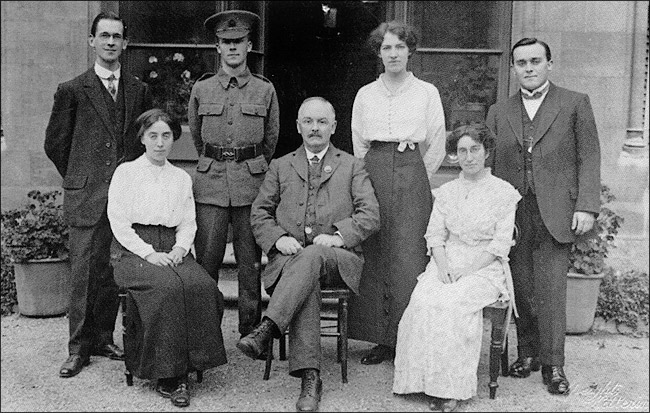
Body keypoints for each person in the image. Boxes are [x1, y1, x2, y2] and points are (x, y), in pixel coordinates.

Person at [238, 97, 380, 412]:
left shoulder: (352, 165)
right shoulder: (280, 165)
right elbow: (259, 213)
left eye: (321, 122)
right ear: (298, 125)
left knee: (314, 255)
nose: (314, 128)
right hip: (290, 262)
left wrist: (339, 236)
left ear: (334, 126)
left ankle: (268, 327)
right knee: (307, 278)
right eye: (308, 121)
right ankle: (310, 379)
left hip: (338, 261)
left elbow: (370, 215)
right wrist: (277, 240)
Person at [486, 37, 601, 395]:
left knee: (551, 290)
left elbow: (589, 158)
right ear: (514, 68)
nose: (529, 68)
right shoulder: (497, 111)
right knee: (520, 286)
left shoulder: (574, 103)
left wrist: (586, 206)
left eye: (536, 61)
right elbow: (490, 167)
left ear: (549, 64)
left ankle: (554, 366)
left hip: (558, 212)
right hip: (514, 213)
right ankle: (529, 354)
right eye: (521, 62)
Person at [44, 11, 152, 378]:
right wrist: (81, 177)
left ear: (125, 43)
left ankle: (104, 338)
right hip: (86, 197)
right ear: (92, 41)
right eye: (103, 35)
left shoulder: (138, 90)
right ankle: (78, 349)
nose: (110, 42)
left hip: (124, 198)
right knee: (84, 274)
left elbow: (140, 141)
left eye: (116, 36)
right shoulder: (72, 89)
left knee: (111, 269)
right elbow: (55, 144)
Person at [392, 125, 521, 412]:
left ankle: (451, 389)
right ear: (455, 156)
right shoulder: (447, 192)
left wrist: (469, 269)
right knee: (423, 299)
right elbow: (435, 236)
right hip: (447, 260)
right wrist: (443, 266)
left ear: (486, 152)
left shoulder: (503, 193)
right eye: (462, 151)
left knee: (453, 305)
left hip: (486, 266)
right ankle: (421, 381)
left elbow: (500, 244)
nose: (469, 157)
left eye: (475, 149)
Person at [107, 109, 227, 408]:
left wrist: (179, 249)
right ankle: (168, 376)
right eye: (153, 136)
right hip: (132, 249)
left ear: (174, 138)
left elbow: (188, 221)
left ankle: (192, 362)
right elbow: (118, 222)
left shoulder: (180, 178)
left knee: (203, 286)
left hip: (171, 245)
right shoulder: (126, 173)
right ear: (142, 139)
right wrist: (149, 253)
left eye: (166, 136)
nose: (160, 143)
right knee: (167, 289)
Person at [348, 20, 447, 365]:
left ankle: (408, 337)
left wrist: (417, 176)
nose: (393, 54)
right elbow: (359, 141)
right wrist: (367, 178)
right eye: (386, 48)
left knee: (408, 254)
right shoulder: (366, 94)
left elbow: (436, 142)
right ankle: (380, 339)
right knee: (375, 251)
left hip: (411, 171)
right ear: (379, 52)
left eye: (399, 47)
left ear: (410, 51)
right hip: (374, 168)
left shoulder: (426, 92)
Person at [188, 10, 280, 357]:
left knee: (249, 264)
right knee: (207, 263)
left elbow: (270, 139)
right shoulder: (202, 88)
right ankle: (205, 333)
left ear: (249, 45)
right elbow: (197, 136)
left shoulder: (264, 90)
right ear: (217, 47)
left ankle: (249, 333)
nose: (232, 48)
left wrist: (248, 165)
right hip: (210, 184)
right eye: (226, 43)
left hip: (250, 185)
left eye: (238, 42)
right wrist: (216, 158)